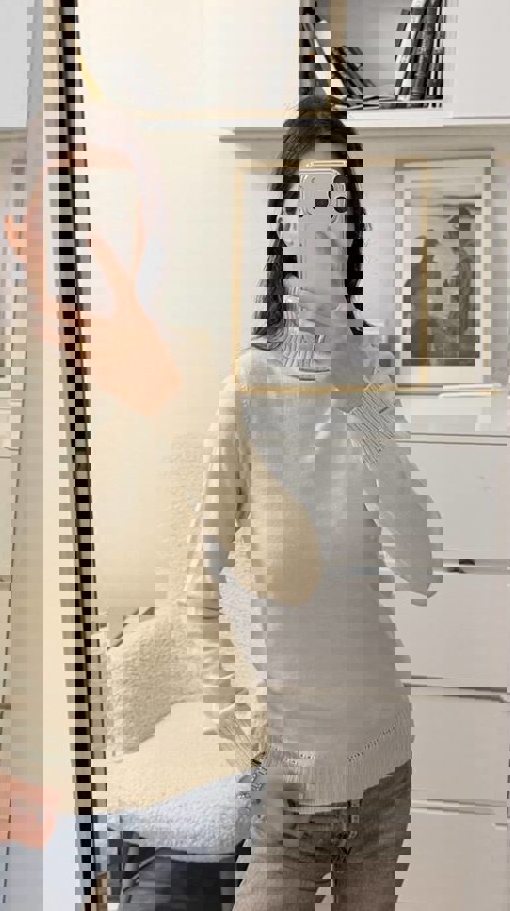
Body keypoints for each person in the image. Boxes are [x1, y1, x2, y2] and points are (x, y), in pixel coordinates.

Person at [189, 94, 444, 910]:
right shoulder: (251, 386)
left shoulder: (378, 383)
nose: (324, 224)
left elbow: (421, 569)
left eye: (339, 206)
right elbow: (196, 591)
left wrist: (374, 423)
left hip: (380, 761)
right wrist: (235, 720)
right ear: (283, 227)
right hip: (287, 779)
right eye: (306, 205)